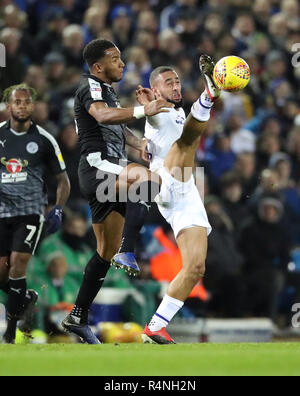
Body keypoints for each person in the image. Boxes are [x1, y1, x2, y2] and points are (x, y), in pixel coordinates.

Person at [62, 39, 173, 344]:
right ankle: (129, 249)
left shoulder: (106, 90)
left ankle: (78, 316)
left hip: (106, 170)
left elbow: (115, 126)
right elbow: (102, 116)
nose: (121, 63)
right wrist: (143, 110)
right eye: (115, 59)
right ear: (98, 66)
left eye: (121, 58)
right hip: (99, 167)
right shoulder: (90, 86)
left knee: (103, 253)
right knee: (150, 180)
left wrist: (139, 144)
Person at [135, 56, 220, 343]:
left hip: (186, 195)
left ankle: (155, 326)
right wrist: (147, 108)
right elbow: (151, 116)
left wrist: (142, 142)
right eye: (168, 82)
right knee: (186, 141)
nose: (175, 85)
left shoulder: (178, 111)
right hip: (166, 180)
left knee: (196, 267)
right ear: (156, 90)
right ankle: (210, 94)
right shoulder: (156, 110)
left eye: (177, 81)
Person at [0, 83, 70, 344]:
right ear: (9, 107)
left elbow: (64, 180)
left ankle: (9, 333)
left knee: (18, 263)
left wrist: (58, 209)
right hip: (2, 212)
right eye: (17, 102)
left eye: (26, 102)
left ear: (33, 106)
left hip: (30, 211)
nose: (22, 106)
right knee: (2, 275)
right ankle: (27, 298)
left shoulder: (44, 138)